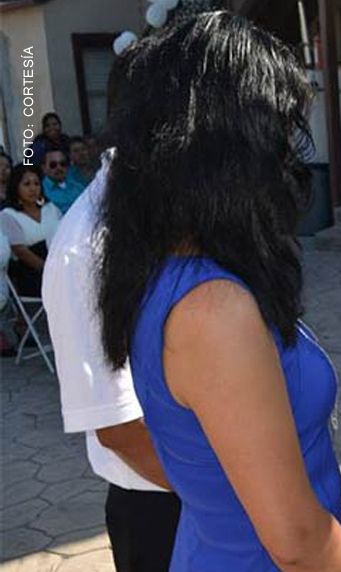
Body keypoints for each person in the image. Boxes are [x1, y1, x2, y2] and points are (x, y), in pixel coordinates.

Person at [94, 13, 341, 571]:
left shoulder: (169, 267)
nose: (288, 158)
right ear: (227, 151)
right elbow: (296, 544)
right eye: (277, 134)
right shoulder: (213, 309)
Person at [44, 152, 183, 572]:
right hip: (162, 500)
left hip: (204, 486)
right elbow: (120, 429)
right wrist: (225, 498)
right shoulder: (87, 246)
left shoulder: (167, 206)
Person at [1, 164, 61, 297]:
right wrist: (51, 271)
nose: (33, 189)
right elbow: (21, 252)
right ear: (16, 186)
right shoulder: (8, 215)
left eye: (36, 184)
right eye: (27, 184)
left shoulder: (50, 208)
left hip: (60, 263)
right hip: (33, 275)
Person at [41, 147, 85, 214]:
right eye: (53, 165)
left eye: (62, 164)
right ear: (44, 168)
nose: (59, 168)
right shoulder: (40, 191)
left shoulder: (78, 187)